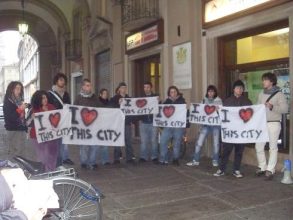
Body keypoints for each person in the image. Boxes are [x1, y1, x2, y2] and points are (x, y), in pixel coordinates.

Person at [214, 80, 252, 178]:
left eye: (241, 88)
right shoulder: (227, 101)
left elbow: (252, 114)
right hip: (230, 132)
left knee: (239, 151)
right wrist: (218, 111)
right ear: (233, 89)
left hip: (241, 131)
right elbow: (223, 116)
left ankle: (236, 170)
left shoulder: (247, 101)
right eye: (237, 88)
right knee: (226, 151)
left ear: (243, 90)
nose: (239, 89)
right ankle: (221, 169)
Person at [255, 72, 288, 180]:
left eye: (265, 80)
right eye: (263, 80)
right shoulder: (261, 93)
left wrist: (272, 106)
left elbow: (285, 109)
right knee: (258, 146)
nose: (263, 82)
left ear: (272, 82)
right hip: (262, 123)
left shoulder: (279, 94)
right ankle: (262, 166)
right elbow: (257, 107)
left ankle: (270, 169)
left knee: (272, 147)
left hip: (273, 123)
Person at [186, 85, 222, 167]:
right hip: (206, 125)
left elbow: (222, 113)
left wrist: (218, 110)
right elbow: (200, 112)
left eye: (212, 91)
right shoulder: (203, 100)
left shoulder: (219, 101)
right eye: (209, 91)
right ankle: (196, 160)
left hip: (216, 125)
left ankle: (215, 159)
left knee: (216, 143)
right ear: (207, 92)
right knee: (199, 142)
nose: (211, 93)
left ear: (215, 92)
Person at [74, 79, 104, 170]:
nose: (89, 87)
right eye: (87, 85)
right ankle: (84, 162)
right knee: (84, 146)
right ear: (83, 87)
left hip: (94, 125)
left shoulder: (94, 97)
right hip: (83, 127)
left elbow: (101, 108)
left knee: (95, 145)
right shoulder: (78, 98)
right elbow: (74, 110)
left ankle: (92, 162)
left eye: (90, 85)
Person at [47, 73, 74, 166]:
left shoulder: (66, 94)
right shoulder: (50, 94)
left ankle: (64, 158)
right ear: (56, 81)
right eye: (60, 80)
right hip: (55, 121)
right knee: (56, 142)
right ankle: (56, 159)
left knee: (64, 141)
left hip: (64, 121)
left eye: (63, 80)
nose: (62, 82)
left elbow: (69, 105)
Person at [29, 90, 59, 172]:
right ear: (38, 99)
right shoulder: (33, 109)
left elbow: (58, 119)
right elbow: (27, 123)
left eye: (45, 97)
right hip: (37, 137)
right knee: (43, 158)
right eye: (42, 98)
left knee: (52, 156)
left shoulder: (52, 107)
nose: (45, 99)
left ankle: (50, 172)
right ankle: (42, 173)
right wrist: (32, 117)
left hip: (51, 136)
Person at [159, 85, 186, 166]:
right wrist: (159, 102)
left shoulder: (182, 101)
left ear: (177, 92)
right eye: (171, 92)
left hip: (178, 126)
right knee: (163, 141)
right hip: (168, 126)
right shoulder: (166, 101)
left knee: (177, 143)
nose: (173, 93)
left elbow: (184, 113)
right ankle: (163, 159)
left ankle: (175, 159)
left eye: (174, 92)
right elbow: (161, 111)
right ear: (169, 93)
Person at [110, 82, 136, 164]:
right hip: (118, 123)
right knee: (117, 140)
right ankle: (116, 158)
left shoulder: (129, 98)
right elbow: (110, 107)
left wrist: (132, 121)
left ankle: (129, 157)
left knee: (128, 140)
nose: (123, 89)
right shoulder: (115, 98)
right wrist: (118, 103)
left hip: (127, 122)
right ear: (119, 89)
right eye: (122, 88)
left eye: (125, 88)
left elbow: (133, 110)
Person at [3, 81, 28, 157]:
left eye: (20, 89)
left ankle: (21, 168)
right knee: (14, 155)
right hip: (13, 131)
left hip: (22, 129)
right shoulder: (8, 101)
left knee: (22, 153)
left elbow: (22, 117)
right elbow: (11, 117)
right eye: (17, 88)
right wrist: (20, 109)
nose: (19, 91)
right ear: (11, 89)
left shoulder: (20, 101)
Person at [138, 82, 159, 163]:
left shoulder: (155, 97)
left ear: (151, 88)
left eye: (148, 87)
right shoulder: (140, 98)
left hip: (153, 122)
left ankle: (154, 157)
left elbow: (159, 107)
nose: (146, 89)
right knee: (143, 141)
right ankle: (143, 157)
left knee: (154, 140)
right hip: (143, 122)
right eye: (145, 87)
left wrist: (158, 101)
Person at [97, 88, 110, 165]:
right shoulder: (97, 102)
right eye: (104, 94)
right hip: (98, 125)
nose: (106, 95)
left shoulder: (109, 102)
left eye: (106, 94)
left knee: (105, 143)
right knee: (98, 144)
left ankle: (105, 160)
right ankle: (96, 160)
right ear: (100, 94)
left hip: (106, 125)